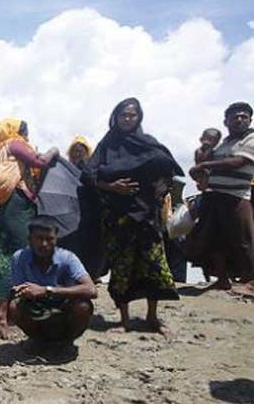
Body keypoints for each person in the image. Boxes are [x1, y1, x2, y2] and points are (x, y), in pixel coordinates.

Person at [86, 97, 183, 334]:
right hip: (119, 216)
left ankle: (152, 317)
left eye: (132, 115)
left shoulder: (148, 143)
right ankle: (124, 319)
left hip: (148, 215)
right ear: (115, 117)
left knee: (155, 265)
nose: (128, 119)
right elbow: (89, 174)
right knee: (122, 267)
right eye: (123, 115)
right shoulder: (107, 145)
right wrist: (112, 187)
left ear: (139, 117)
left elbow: (168, 166)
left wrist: (161, 187)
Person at [0, 119, 59, 340]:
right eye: (23, 129)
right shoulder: (15, 145)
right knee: (14, 259)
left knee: (8, 259)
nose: (25, 132)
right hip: (17, 208)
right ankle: (2, 315)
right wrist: (54, 150)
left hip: (12, 208)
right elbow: (40, 161)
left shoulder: (4, 152)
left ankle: (7, 312)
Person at [186, 102, 254, 289]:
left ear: (249, 120)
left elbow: (237, 162)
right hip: (214, 195)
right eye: (235, 117)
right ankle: (222, 279)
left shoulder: (250, 139)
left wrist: (206, 166)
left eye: (243, 117)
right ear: (226, 121)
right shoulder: (225, 142)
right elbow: (203, 161)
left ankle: (251, 279)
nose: (239, 120)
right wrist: (204, 155)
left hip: (236, 196)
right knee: (215, 239)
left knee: (243, 239)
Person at [9, 217, 97, 355]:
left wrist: (47, 290)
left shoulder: (68, 258)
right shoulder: (19, 258)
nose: (44, 244)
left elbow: (91, 290)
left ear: (56, 240)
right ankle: (38, 340)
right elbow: (17, 290)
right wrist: (25, 292)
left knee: (83, 307)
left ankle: (67, 342)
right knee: (14, 306)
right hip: (36, 307)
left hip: (64, 306)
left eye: (49, 239)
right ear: (29, 239)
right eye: (38, 238)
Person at [59, 136, 104, 279]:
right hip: (69, 215)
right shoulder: (64, 169)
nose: (78, 154)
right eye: (75, 151)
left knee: (89, 249)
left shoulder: (92, 168)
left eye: (81, 151)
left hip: (89, 216)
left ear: (87, 152)